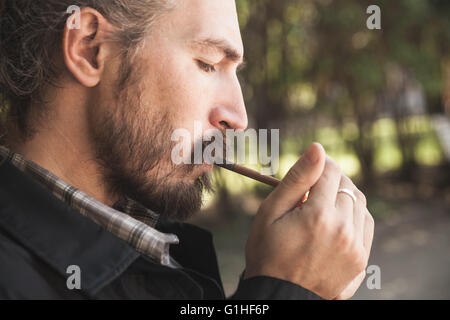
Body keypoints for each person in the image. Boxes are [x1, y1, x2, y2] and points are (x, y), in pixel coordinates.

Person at [0, 0, 374, 300]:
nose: (238, 117)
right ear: (89, 48)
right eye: (208, 64)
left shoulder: (155, 247)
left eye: (235, 71)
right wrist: (289, 289)